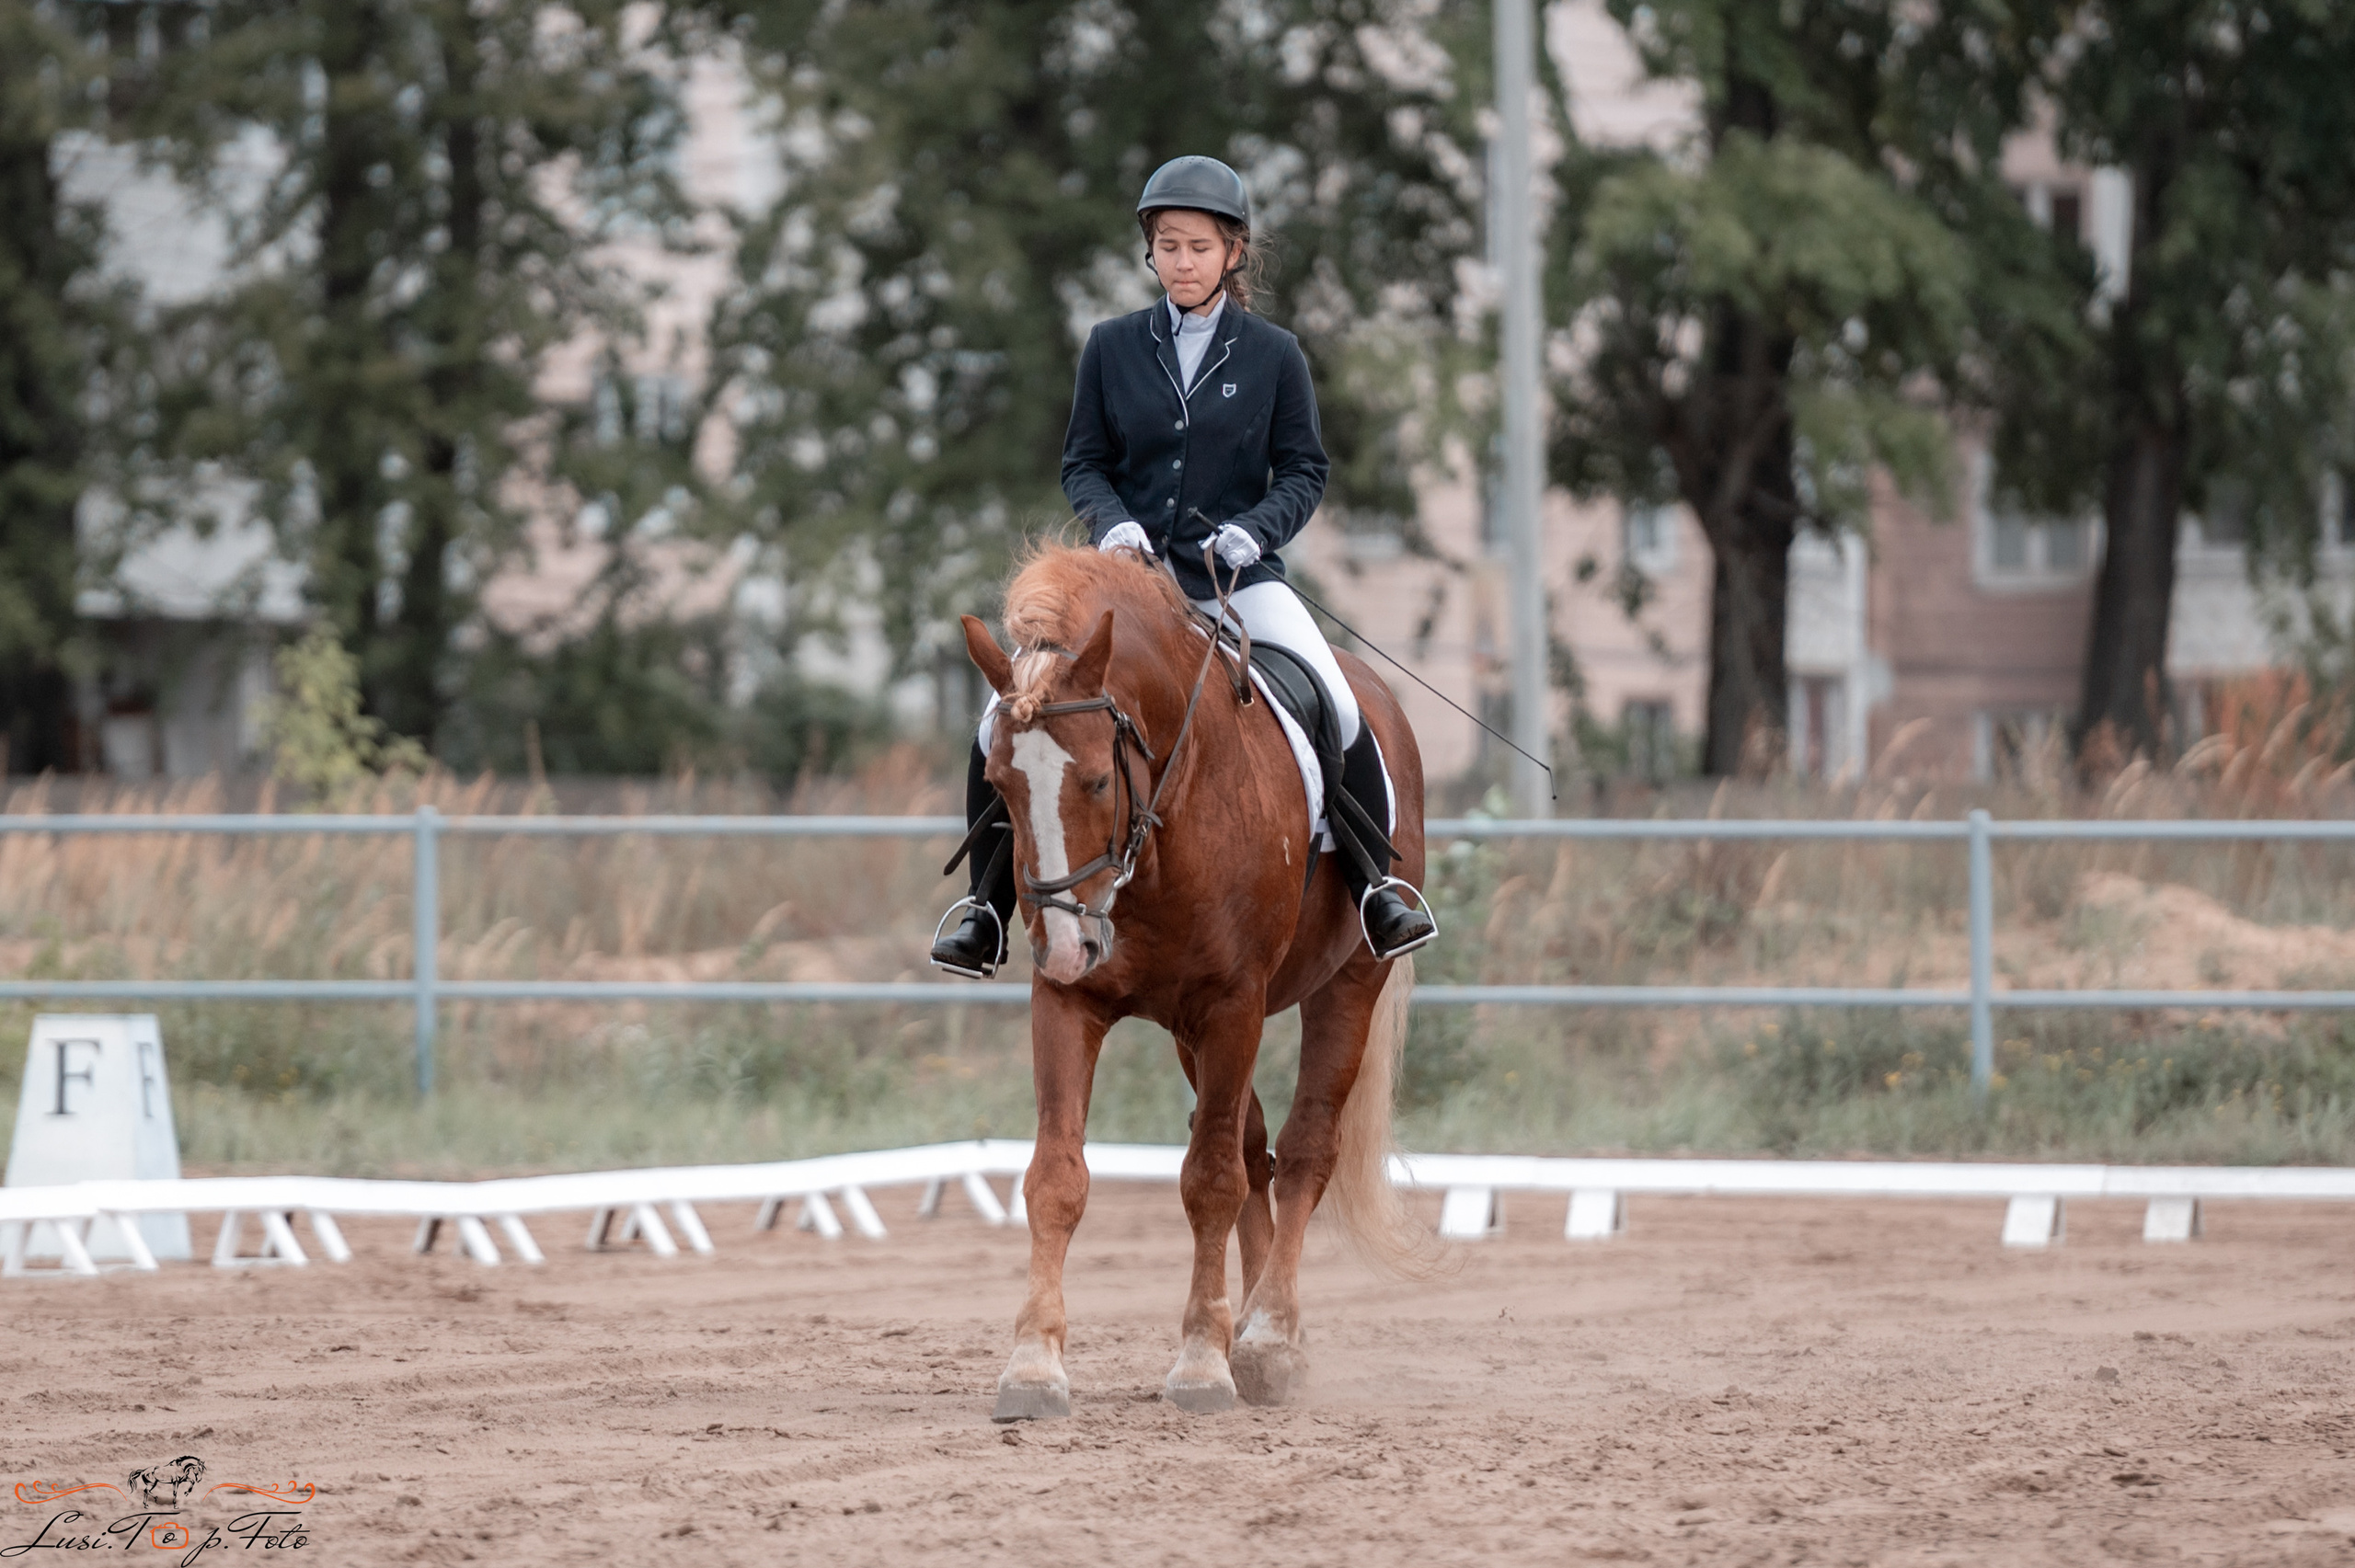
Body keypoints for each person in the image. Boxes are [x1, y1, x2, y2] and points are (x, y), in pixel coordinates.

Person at [931, 154, 1437, 977]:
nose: (1182, 262)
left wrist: (1254, 530)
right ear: (1152, 253)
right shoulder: (1113, 347)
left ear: (1233, 252)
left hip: (1233, 580)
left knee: (1337, 703)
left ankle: (1379, 886)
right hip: (1124, 591)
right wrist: (1114, 524)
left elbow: (1305, 469)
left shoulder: (1275, 355)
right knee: (1001, 722)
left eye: (1199, 247)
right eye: (1168, 246)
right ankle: (985, 909)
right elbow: (1083, 463)